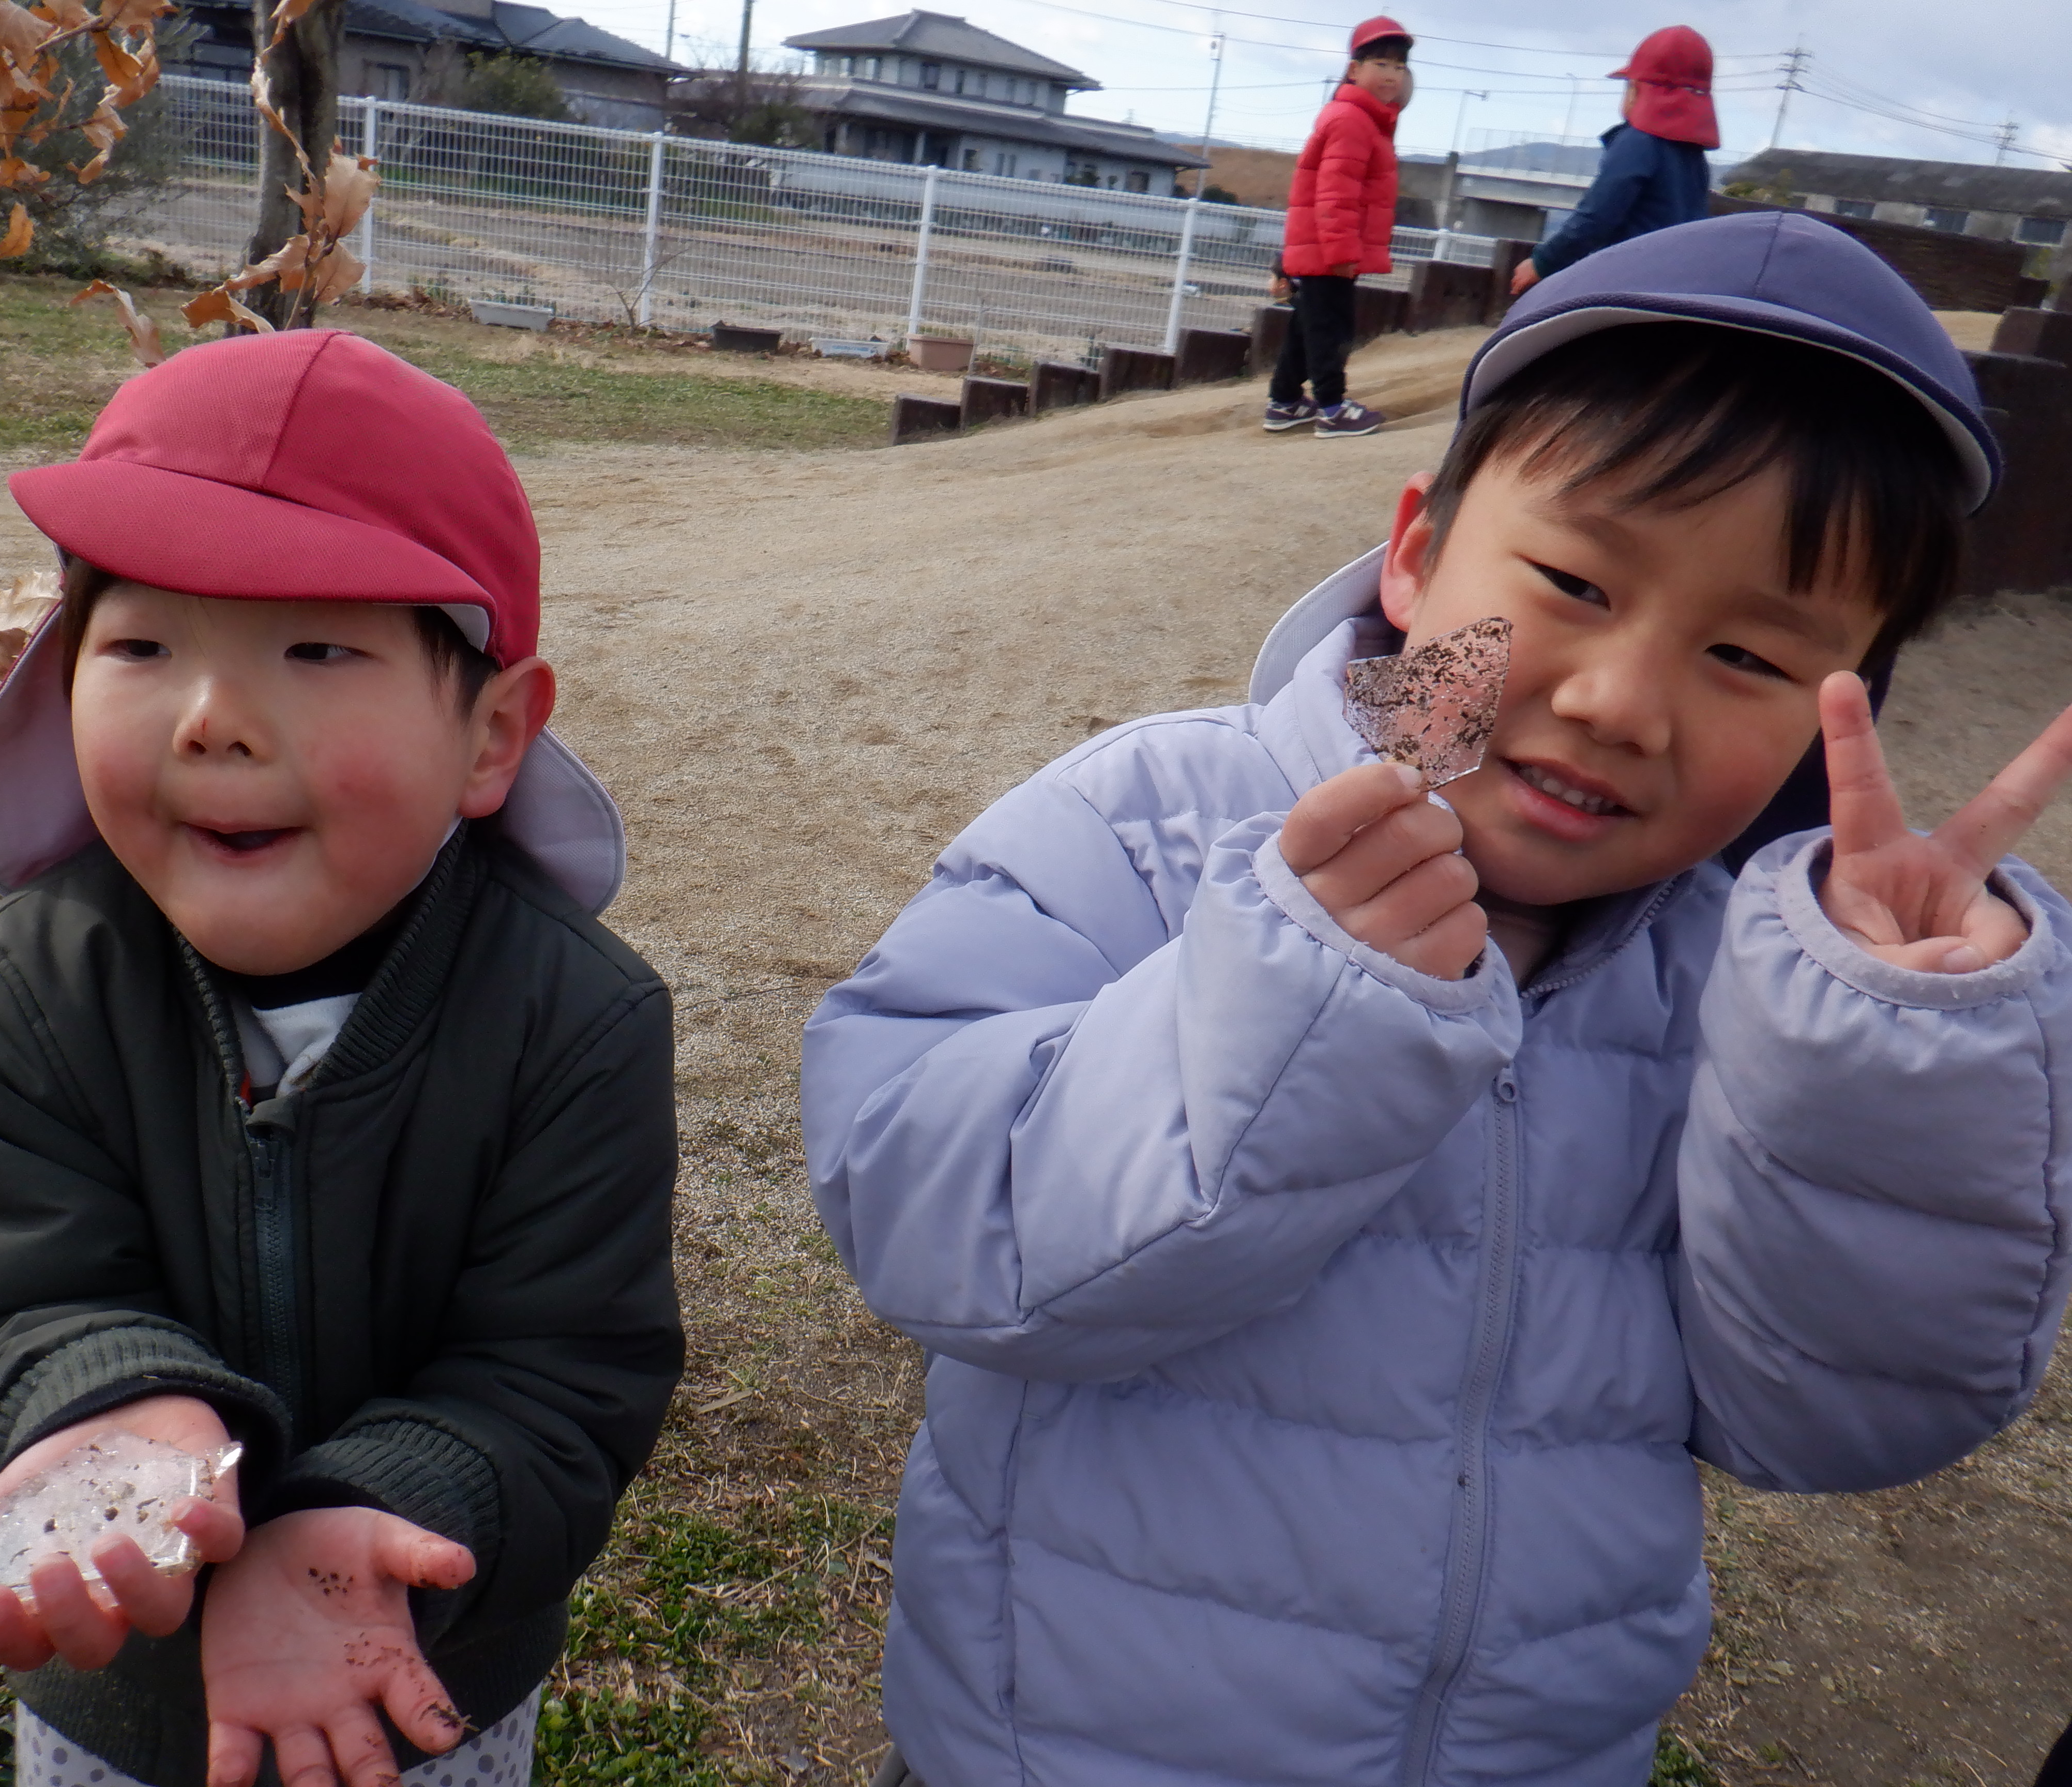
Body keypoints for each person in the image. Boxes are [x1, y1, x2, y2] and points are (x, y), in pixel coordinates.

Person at [804, 210, 2072, 1787]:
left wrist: (1881, 1073)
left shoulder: (1742, 979)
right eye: (1573, 581)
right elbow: (922, 1217)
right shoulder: (1149, 824)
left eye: (1751, 657)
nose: (1620, 703)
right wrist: (1302, 1003)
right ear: (1413, 556)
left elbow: (1826, 1422)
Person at [0, 329, 684, 1787]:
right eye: (141, 647)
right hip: (125, 1702)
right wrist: (104, 1407)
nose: (214, 721)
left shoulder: (573, 1018)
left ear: (493, 732)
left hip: (411, 1672)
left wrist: (361, 1518)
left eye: (316, 650)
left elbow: (564, 1372)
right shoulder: (29, 988)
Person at [1264, 16, 1411, 441]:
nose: (1392, 75)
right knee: (1330, 329)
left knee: (1307, 324)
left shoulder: (1362, 118)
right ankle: (1332, 410)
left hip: (1320, 247)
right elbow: (1336, 194)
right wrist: (1343, 253)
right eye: (1381, 64)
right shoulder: (1353, 120)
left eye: (1399, 67)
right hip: (1330, 250)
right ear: (1354, 70)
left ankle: (1285, 402)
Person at [1509, 27, 1716, 298]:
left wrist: (1543, 263)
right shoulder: (1694, 157)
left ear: (1637, 90)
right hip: (1675, 289)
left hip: (1626, 286)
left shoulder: (1637, 142)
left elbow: (1596, 217)